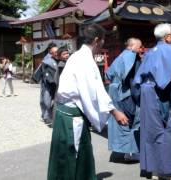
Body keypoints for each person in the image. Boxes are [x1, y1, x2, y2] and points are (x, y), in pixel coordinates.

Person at [47, 23, 128, 180]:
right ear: (97, 40)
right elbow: (94, 92)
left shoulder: (76, 56)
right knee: (72, 158)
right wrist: (114, 111)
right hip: (73, 119)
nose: (103, 44)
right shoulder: (85, 60)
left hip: (65, 114)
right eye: (103, 40)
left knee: (64, 157)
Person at [132, 23, 171, 180]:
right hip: (158, 93)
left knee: (150, 131)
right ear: (167, 36)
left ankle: (153, 169)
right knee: (168, 130)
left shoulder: (150, 52)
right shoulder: (167, 49)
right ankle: (166, 171)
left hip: (145, 92)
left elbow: (137, 79)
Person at [106, 37, 142, 161]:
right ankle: (130, 152)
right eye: (139, 46)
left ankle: (126, 151)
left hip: (115, 92)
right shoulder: (131, 57)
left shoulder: (120, 57)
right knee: (132, 121)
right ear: (131, 46)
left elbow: (108, 74)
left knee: (122, 122)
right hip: (126, 92)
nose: (140, 49)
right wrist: (139, 97)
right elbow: (133, 81)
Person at [39, 43, 58, 124]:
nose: (56, 53)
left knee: (45, 98)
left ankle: (45, 115)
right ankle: (46, 116)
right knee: (47, 98)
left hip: (47, 81)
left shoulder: (51, 58)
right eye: (55, 51)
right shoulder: (47, 60)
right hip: (47, 81)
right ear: (50, 51)